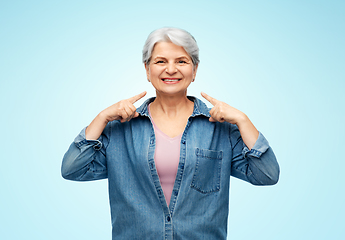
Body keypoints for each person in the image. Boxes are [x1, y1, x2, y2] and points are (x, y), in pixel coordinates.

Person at [61, 27, 280, 240]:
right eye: (160, 61)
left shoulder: (221, 129)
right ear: (147, 69)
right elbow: (72, 169)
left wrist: (243, 120)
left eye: (181, 61)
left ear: (194, 70)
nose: (171, 69)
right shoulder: (119, 130)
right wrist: (101, 118)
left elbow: (267, 175)